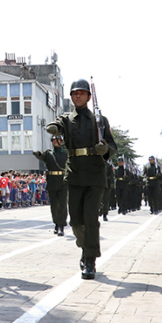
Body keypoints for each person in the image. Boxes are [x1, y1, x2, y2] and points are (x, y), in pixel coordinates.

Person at [46, 79, 116, 280]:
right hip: (75, 173)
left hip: (95, 173)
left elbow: (112, 147)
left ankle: (89, 259)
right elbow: (57, 125)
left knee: (91, 218)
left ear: (88, 96)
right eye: (74, 93)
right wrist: (53, 128)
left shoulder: (100, 121)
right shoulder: (67, 119)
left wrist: (105, 150)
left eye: (81, 93)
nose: (78, 96)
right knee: (76, 221)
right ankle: (86, 247)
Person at [33, 135, 69, 236]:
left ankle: (61, 225)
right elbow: (42, 157)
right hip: (52, 181)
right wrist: (37, 154)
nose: (55, 142)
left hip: (63, 181)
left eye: (57, 140)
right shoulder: (48, 153)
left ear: (61, 141)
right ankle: (56, 224)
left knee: (62, 204)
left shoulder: (66, 153)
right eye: (53, 140)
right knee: (54, 205)